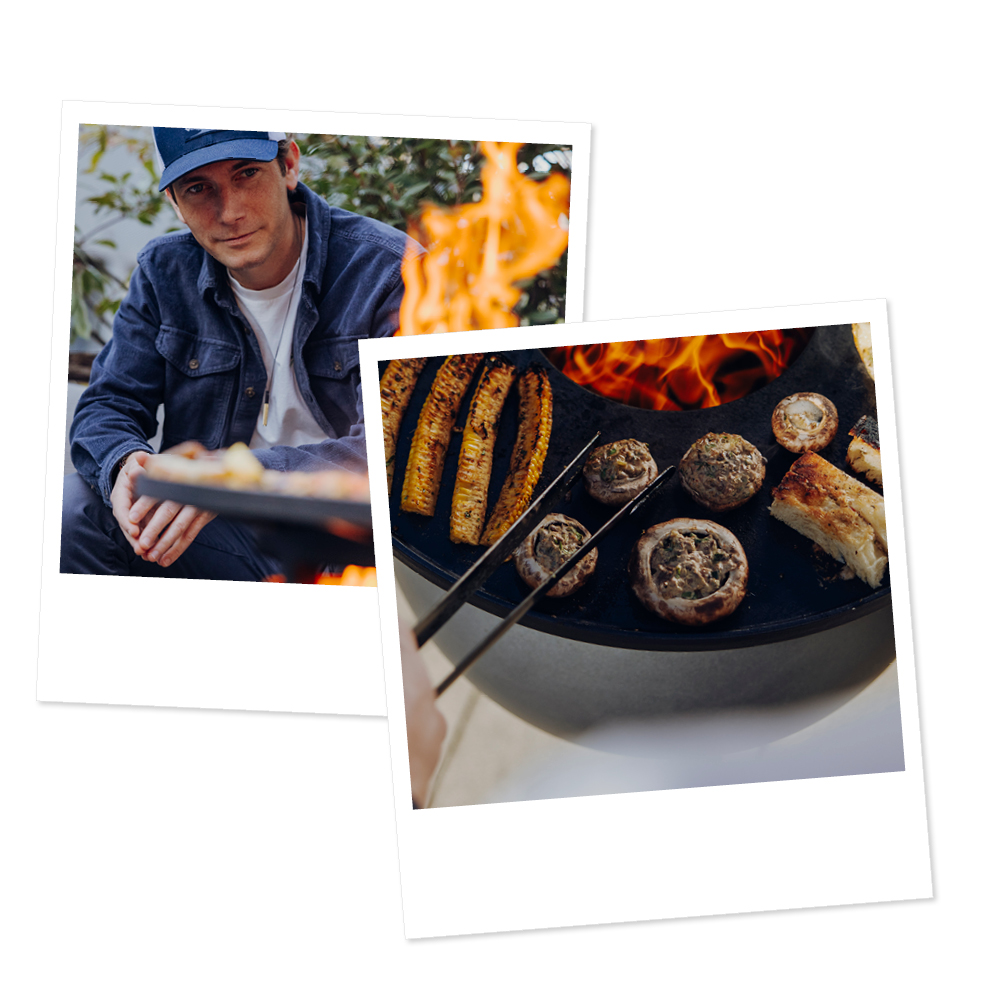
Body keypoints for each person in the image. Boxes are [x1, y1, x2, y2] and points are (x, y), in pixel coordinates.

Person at [62, 128, 419, 580]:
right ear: (174, 201)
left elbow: (392, 449)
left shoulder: (391, 274)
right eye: (198, 189)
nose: (229, 213)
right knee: (73, 513)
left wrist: (229, 479)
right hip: (216, 533)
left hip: (346, 538)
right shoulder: (164, 272)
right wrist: (123, 468)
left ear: (288, 165)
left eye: (246, 174)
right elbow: (108, 405)